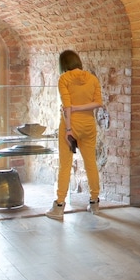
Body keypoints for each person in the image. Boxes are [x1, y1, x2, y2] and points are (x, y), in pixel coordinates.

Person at [46, 50, 104, 220]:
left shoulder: (64, 79)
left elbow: (67, 106)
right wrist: (82, 107)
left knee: (65, 165)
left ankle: (58, 207)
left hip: (71, 124)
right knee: (91, 163)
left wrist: (69, 129)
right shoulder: (92, 79)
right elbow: (98, 103)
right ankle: (94, 203)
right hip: (88, 125)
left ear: (63, 64)